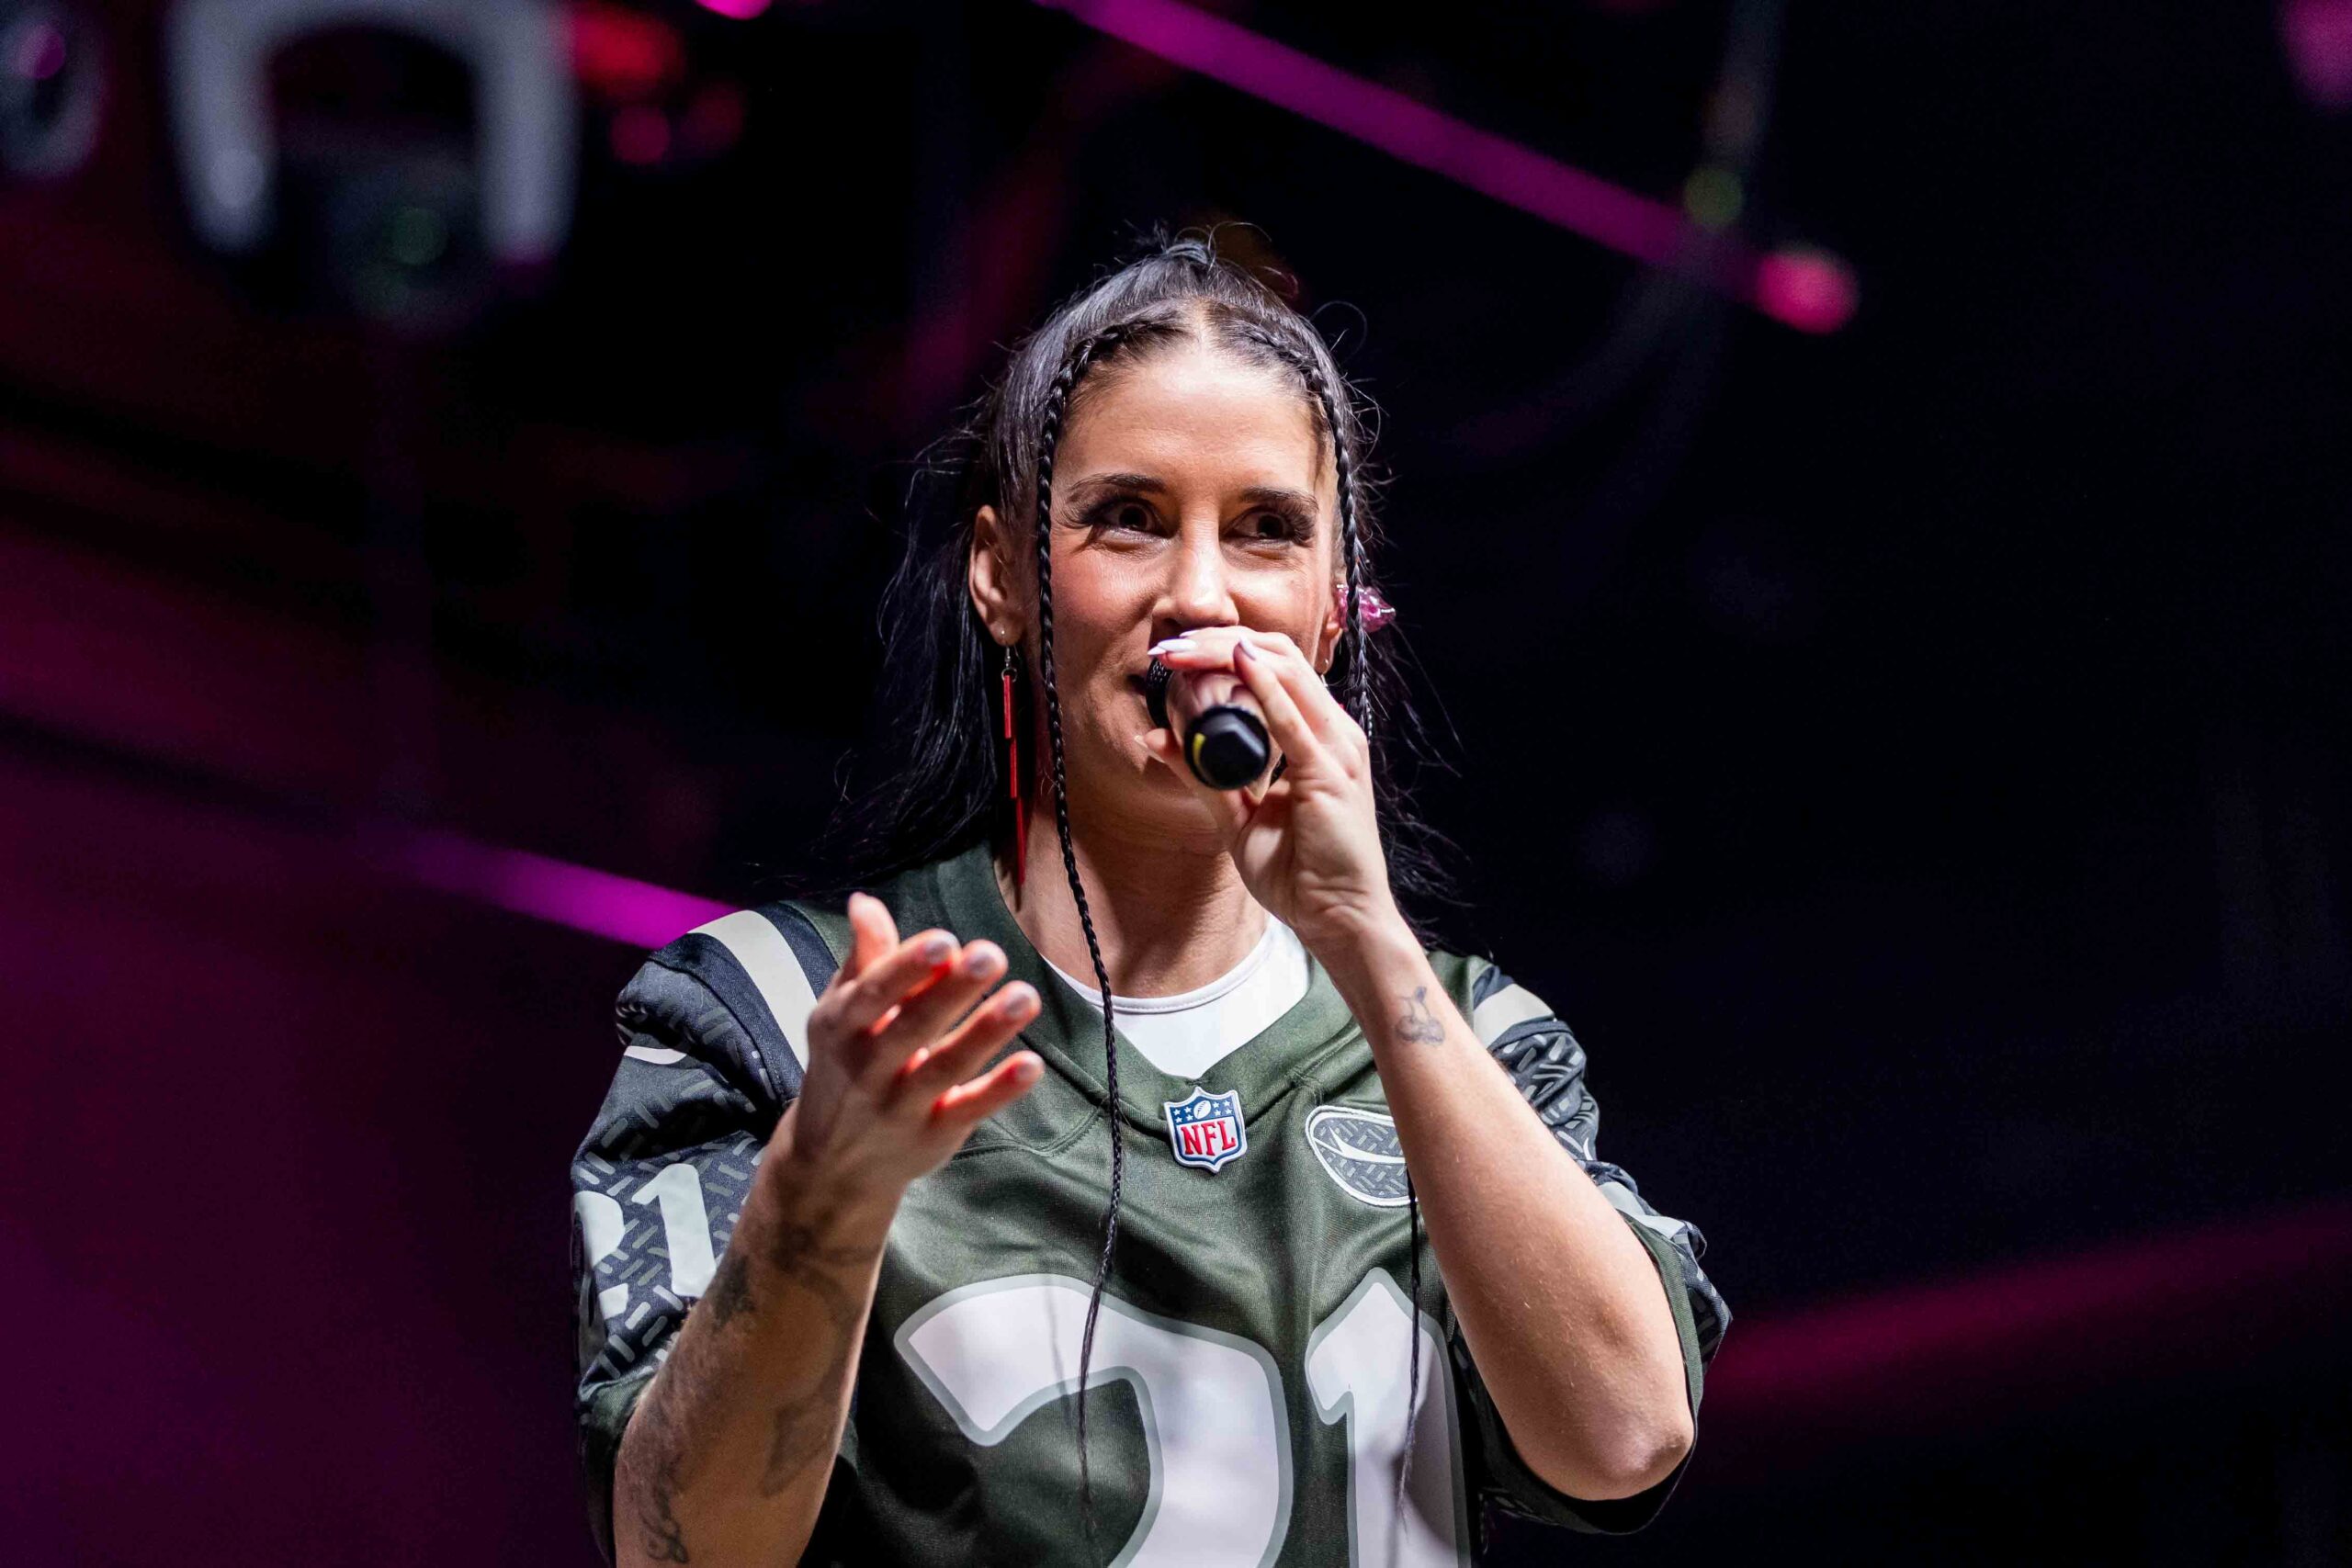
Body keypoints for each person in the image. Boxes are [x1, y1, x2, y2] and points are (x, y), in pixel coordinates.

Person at [568, 233, 1729, 1568]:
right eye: (1128, 517)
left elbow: (1627, 1436)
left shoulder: (1471, 1038)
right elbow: (679, 1550)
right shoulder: (772, 1013)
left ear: (1333, 611)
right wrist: (820, 1192)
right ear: (1002, 576)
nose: (1199, 596)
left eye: (1267, 531)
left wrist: (1367, 943)